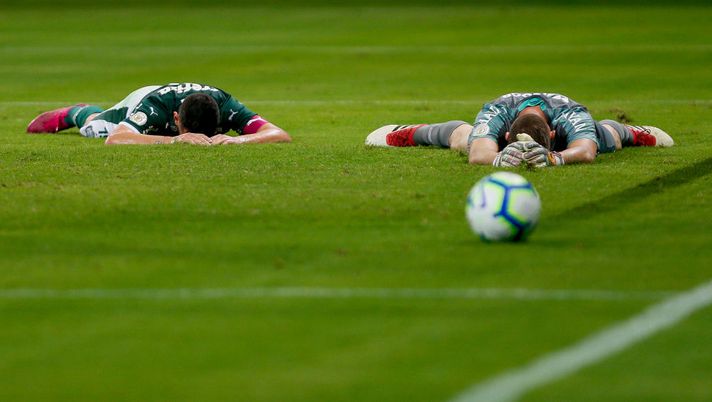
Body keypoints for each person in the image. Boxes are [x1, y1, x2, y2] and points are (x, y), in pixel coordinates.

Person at [365, 92, 674, 167]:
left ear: (553, 137)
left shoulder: (571, 115)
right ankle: (409, 132)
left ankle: (634, 131)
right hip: (503, 122)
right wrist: (500, 159)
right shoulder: (496, 112)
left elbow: (588, 152)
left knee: (607, 138)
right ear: (506, 137)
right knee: (463, 139)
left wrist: (556, 159)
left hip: (571, 127)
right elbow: (479, 155)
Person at [27, 82, 291, 145]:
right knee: (94, 129)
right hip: (142, 100)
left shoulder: (227, 106)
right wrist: (175, 140)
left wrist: (238, 140)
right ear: (175, 119)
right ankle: (79, 112)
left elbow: (280, 134)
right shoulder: (156, 108)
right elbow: (116, 139)